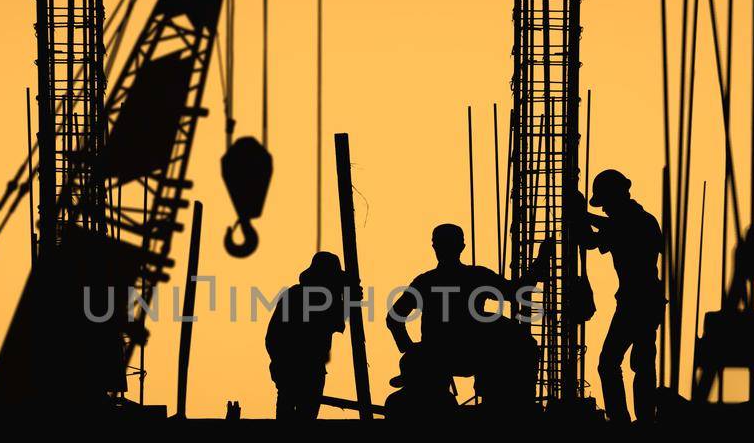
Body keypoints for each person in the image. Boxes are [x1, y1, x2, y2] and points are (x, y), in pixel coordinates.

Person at [386, 224, 552, 408]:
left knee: (511, 333)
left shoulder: (425, 281)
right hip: (474, 353)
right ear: (462, 247)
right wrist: (540, 263)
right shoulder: (476, 276)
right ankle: (512, 404)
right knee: (520, 341)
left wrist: (409, 347)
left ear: (434, 247)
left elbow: (394, 318)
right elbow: (516, 292)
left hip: (439, 355)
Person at [575, 169, 665, 424]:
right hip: (640, 300)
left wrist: (582, 216)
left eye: (605, 203)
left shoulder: (636, 221)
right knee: (639, 361)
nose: (604, 209)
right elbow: (598, 236)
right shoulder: (638, 220)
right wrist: (584, 218)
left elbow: (594, 240)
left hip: (639, 301)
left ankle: (629, 420)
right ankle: (639, 418)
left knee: (616, 362)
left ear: (616, 196)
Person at [266, 252, 356, 419]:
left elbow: (272, 338)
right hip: (301, 370)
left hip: (296, 369)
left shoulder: (296, 295)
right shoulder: (310, 298)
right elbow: (334, 322)